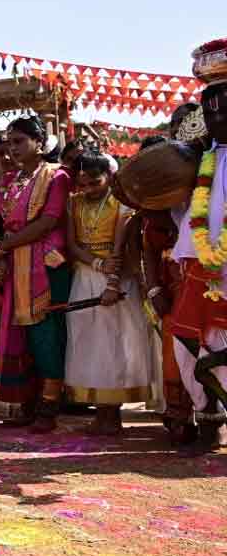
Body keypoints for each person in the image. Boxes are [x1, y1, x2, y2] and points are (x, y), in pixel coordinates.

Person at [0, 116, 73, 433]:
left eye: (19, 141)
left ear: (40, 143)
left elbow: (48, 221)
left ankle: (49, 404)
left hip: (46, 264)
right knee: (19, 333)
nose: (13, 149)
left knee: (47, 333)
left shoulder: (56, 176)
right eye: (10, 143)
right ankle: (25, 400)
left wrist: (4, 246)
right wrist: (2, 252)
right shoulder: (11, 181)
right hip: (16, 264)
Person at [63, 148, 154, 434]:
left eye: (95, 183)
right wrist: (96, 263)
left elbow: (121, 248)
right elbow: (72, 244)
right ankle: (101, 414)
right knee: (87, 344)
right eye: (83, 184)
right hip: (85, 276)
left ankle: (112, 416)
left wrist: (112, 282)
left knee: (113, 345)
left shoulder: (121, 203)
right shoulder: (73, 203)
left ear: (110, 176)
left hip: (116, 282)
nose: (88, 189)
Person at [166, 66, 227, 456]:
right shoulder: (198, 160)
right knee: (187, 344)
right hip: (197, 266)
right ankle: (209, 419)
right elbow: (170, 208)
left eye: (225, 108)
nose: (218, 116)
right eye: (210, 110)